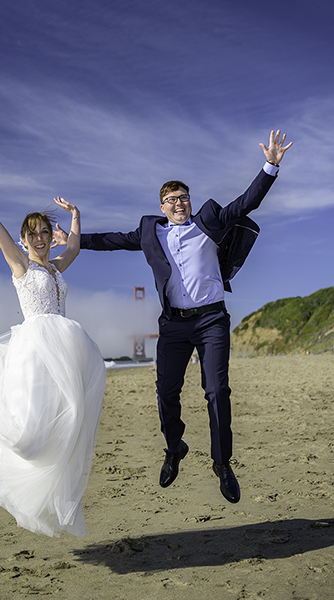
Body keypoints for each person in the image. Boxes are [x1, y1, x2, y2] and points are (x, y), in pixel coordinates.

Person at [53, 130, 293, 504]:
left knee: (216, 391)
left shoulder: (209, 221)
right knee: (166, 391)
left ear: (189, 201)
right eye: (170, 199)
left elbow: (247, 202)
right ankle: (174, 446)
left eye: (183, 197)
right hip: (174, 324)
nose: (178, 203)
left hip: (212, 320)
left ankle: (222, 463)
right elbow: (113, 241)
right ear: (162, 206)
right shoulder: (152, 232)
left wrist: (270, 165)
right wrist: (72, 239)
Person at [0, 160, 106, 537]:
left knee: (68, 422)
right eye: (32, 233)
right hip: (34, 349)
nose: (39, 238)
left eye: (44, 232)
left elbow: (76, 245)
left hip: (64, 351)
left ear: (51, 236)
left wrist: (77, 216)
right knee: (26, 438)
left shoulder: (57, 268)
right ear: (23, 240)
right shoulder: (21, 266)